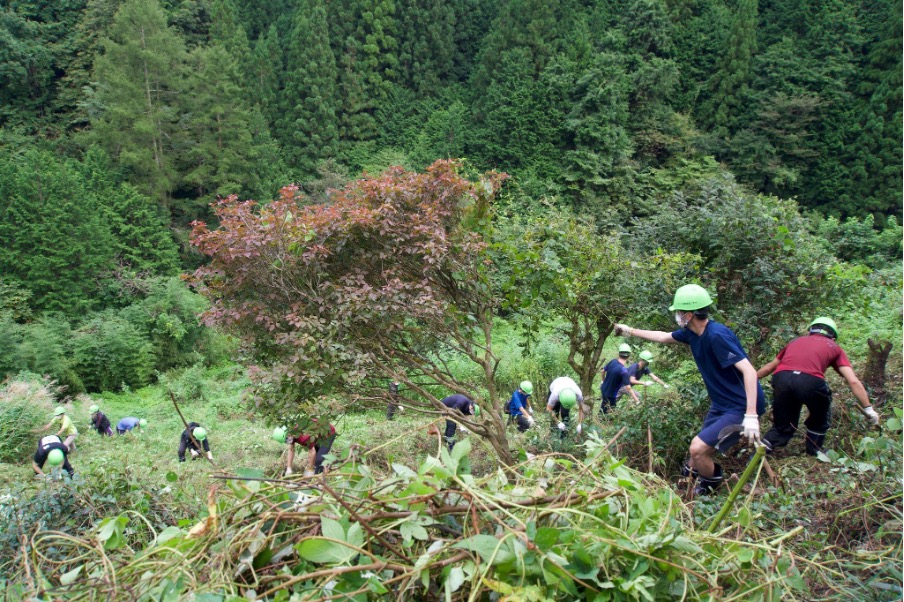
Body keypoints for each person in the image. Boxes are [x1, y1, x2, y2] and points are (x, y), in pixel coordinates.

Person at [614, 284, 765, 495]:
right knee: (698, 452)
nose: (677, 315)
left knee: (697, 449)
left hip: (740, 406)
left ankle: (711, 487)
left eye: (679, 312)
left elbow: (749, 371)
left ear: (690, 314)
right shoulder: (691, 333)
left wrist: (751, 415)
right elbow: (663, 336)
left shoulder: (717, 336)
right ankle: (693, 480)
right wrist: (629, 331)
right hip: (721, 404)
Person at [756, 317, 880, 456]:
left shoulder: (795, 342)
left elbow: (768, 368)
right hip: (811, 381)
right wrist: (868, 409)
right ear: (833, 337)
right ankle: (814, 449)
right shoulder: (834, 347)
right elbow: (853, 381)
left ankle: (758, 454)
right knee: (820, 416)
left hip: (781, 379)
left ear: (810, 331)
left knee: (783, 425)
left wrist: (749, 380)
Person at [599, 344, 640, 415]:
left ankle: (599, 419)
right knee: (609, 411)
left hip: (603, 389)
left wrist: (603, 381)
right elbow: (628, 388)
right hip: (611, 394)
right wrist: (636, 400)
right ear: (629, 356)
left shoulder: (613, 361)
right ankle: (600, 420)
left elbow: (603, 371)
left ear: (619, 353)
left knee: (604, 406)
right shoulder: (624, 371)